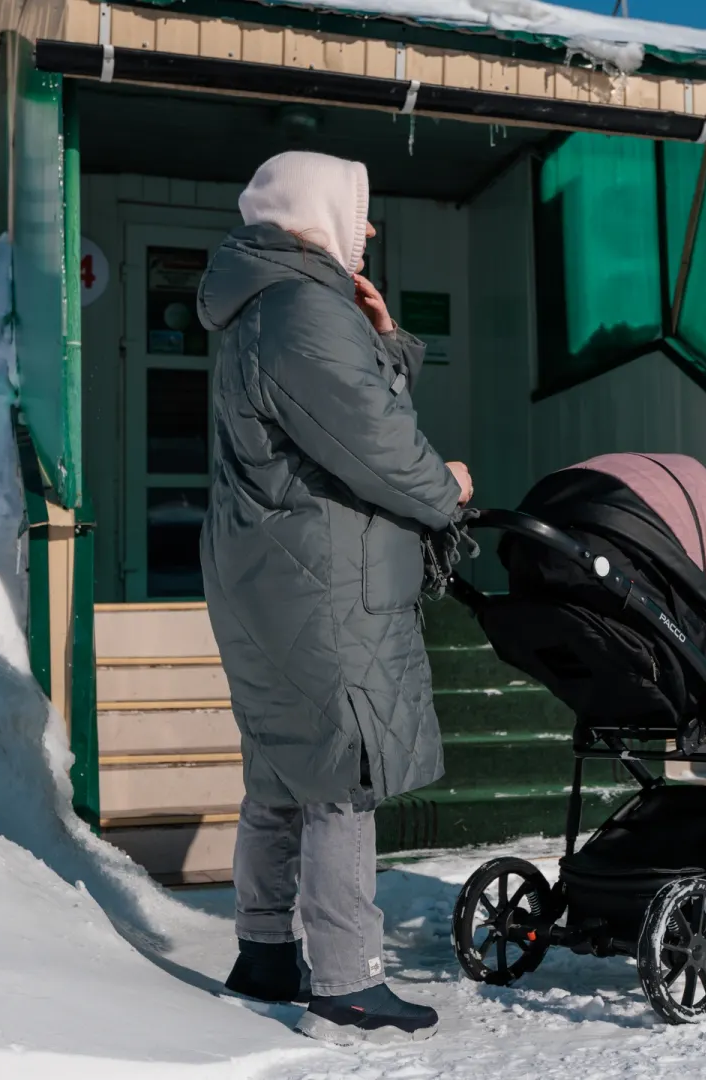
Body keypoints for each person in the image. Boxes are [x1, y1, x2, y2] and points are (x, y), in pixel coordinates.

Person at [194, 150, 471, 1045]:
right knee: (344, 772)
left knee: (282, 766)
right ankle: (349, 976)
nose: (372, 227)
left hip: (270, 569)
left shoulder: (262, 303)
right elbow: (375, 445)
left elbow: (339, 412)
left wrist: (384, 340)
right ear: (319, 211)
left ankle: (266, 949)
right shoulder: (303, 310)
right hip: (321, 573)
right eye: (360, 208)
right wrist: (449, 489)